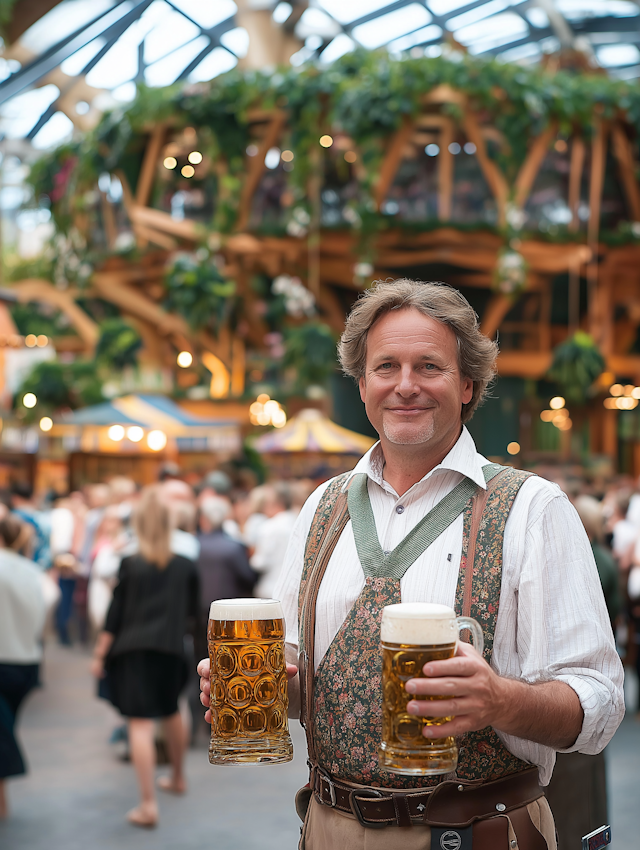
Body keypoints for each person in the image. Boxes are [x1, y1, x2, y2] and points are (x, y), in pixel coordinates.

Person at [196, 279, 624, 850]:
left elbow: (598, 703)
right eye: (386, 367)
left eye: (429, 366)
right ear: (363, 383)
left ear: (468, 383)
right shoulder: (323, 507)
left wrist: (499, 699)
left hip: (474, 833)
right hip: (326, 827)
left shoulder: (533, 509)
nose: (405, 386)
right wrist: (272, 688)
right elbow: (300, 672)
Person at [92, 486, 200, 828]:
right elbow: (194, 614)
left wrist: (99, 654)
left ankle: (148, 804)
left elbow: (115, 615)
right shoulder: (185, 565)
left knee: (138, 723)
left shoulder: (129, 563)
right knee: (171, 711)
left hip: (132, 650)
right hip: (171, 649)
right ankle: (178, 776)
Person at [0, 512, 59, 819]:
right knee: (5, 727)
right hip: (26, 661)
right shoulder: (32, 570)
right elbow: (51, 599)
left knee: (3, 730)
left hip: (4, 659)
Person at [249, 482, 297, 599]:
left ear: (277, 503)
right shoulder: (298, 521)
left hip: (270, 589)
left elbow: (259, 563)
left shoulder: (269, 527)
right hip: (294, 588)